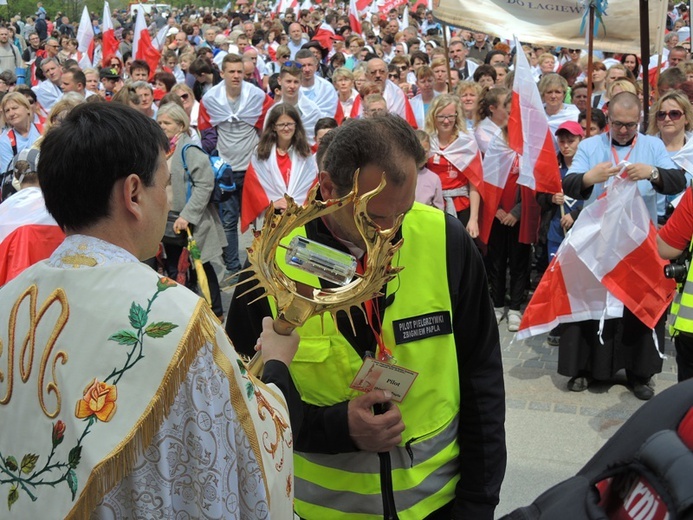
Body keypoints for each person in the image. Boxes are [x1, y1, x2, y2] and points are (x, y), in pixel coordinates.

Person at [0, 102, 300, 518]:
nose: (169, 198)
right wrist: (278, 367)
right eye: (166, 183)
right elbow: (244, 452)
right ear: (134, 193)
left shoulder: (10, 296)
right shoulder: (172, 317)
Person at [227, 114, 506, 519]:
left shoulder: (445, 239)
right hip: (321, 511)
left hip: (440, 506)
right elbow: (239, 402)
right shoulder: (272, 267)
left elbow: (482, 377)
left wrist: (479, 502)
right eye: (374, 218)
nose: (391, 233)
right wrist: (339, 428)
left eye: (403, 212)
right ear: (328, 188)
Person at [561, 91, 686, 399]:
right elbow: (569, 184)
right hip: (597, 240)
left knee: (637, 302)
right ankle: (584, 367)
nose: (624, 130)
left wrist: (652, 172)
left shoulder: (653, 145)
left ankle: (640, 372)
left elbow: (678, 181)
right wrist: (590, 176)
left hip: (639, 240)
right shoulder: (591, 146)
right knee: (587, 302)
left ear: (639, 121)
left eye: (630, 125)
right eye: (618, 124)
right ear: (608, 117)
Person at [197, 53, 273, 284]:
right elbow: (206, 133)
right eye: (231, 71)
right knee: (229, 220)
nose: (236, 76)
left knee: (260, 218)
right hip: (226, 170)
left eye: (240, 71)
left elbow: (269, 126)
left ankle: (261, 265)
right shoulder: (211, 99)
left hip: (252, 169)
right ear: (222, 73)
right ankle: (233, 268)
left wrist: (264, 153)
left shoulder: (257, 97)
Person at [157, 103, 226, 319]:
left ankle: (215, 314)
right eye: (159, 122)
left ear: (180, 125)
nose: (162, 126)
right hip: (169, 221)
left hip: (193, 223)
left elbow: (205, 184)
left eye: (166, 123)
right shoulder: (162, 150)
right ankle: (185, 312)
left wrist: (188, 215)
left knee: (200, 265)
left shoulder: (189, 150)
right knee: (174, 266)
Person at [241, 103, 317, 232]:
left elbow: (312, 185)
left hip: (300, 217)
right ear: (273, 127)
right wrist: (272, 204)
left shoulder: (305, 153)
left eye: (290, 124)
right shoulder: (260, 153)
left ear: (296, 125)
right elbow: (253, 188)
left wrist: (294, 205)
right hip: (272, 218)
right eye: (281, 124)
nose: (286, 128)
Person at [426, 94, 483, 238]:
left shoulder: (467, 143)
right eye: (441, 116)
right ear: (433, 116)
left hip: (462, 207)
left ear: (457, 117)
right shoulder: (426, 143)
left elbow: (475, 184)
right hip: (432, 206)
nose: (446, 121)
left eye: (450, 116)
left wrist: (474, 219)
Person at [646, 90, 693, 225]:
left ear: (686, 118)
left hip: (687, 224)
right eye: (661, 115)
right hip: (652, 222)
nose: (667, 119)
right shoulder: (645, 147)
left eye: (674, 114)